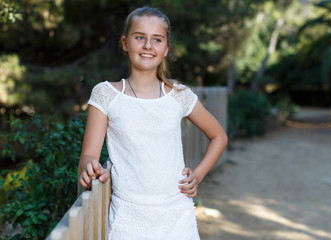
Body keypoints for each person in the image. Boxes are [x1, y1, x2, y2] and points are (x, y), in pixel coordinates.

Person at [78, 6, 228, 240]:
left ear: (166, 49)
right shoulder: (105, 95)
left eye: (156, 40)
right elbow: (88, 156)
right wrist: (89, 167)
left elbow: (219, 136)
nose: (148, 46)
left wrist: (197, 175)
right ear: (125, 43)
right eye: (140, 37)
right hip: (127, 218)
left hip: (177, 217)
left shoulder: (179, 95)